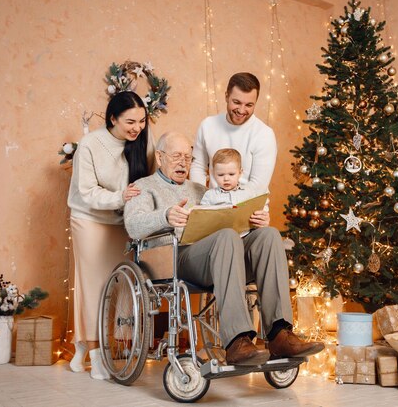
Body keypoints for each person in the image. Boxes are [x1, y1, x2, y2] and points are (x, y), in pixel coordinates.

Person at [124, 132, 324, 366]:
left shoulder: (202, 190)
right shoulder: (143, 187)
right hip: (178, 257)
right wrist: (165, 216)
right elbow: (132, 226)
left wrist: (257, 220)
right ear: (159, 157)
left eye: (188, 157)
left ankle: (279, 333)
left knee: (268, 235)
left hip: (222, 255)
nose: (183, 162)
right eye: (176, 155)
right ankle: (237, 341)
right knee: (227, 236)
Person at [67, 91, 155, 379]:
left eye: (142, 121)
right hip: (90, 219)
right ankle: (96, 353)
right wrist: (121, 196)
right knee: (93, 286)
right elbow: (86, 191)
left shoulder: (142, 142)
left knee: (119, 286)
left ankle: (88, 348)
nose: (137, 127)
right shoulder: (91, 144)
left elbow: (150, 182)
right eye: (130, 121)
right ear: (113, 118)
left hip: (123, 223)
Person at [190, 72, 276, 205]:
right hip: (215, 207)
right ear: (226, 96)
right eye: (237, 102)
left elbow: (258, 186)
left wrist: (228, 204)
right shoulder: (207, 125)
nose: (241, 110)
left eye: (249, 105)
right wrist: (202, 203)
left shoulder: (264, 134)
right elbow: (198, 166)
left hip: (250, 208)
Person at [199, 148, 264, 207]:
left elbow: (255, 211)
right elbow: (201, 214)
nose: (226, 179)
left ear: (240, 173)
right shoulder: (209, 195)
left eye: (231, 174)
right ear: (213, 174)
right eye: (221, 175)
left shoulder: (249, 193)